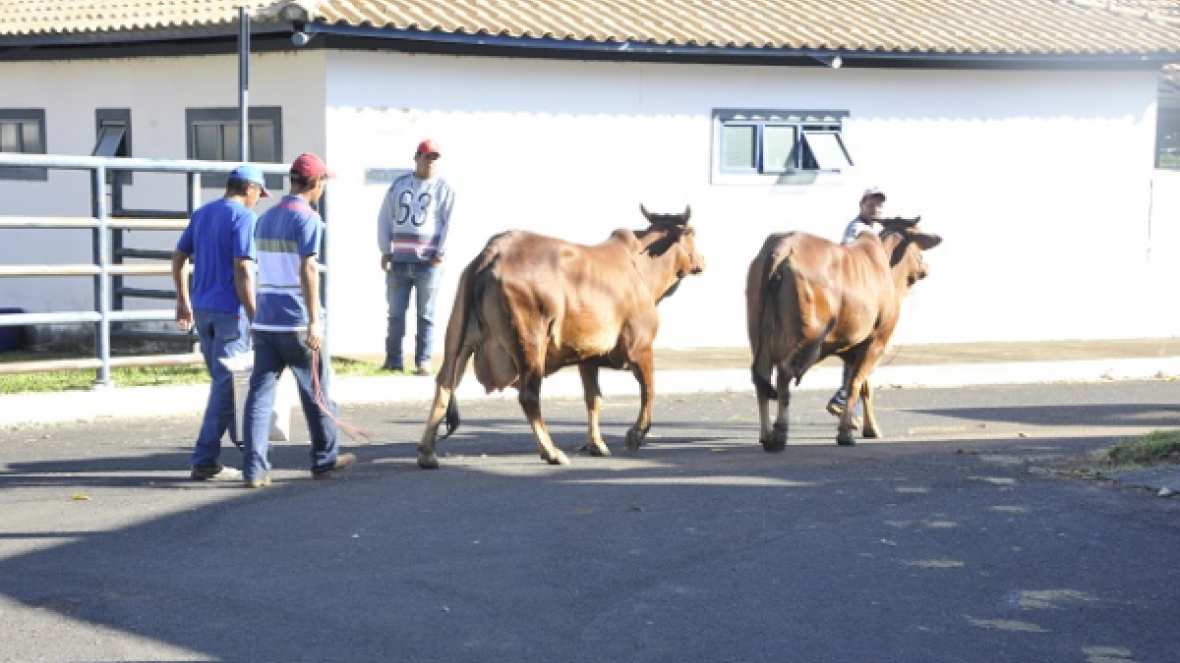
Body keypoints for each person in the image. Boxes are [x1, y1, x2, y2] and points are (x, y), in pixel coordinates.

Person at [241, 153, 355, 488]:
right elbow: (308, 269)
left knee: (260, 394)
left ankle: (255, 469)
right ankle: (324, 459)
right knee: (316, 391)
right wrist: (314, 321)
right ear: (316, 183)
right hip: (296, 321)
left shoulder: (265, 217)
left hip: (266, 320)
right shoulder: (308, 219)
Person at [172, 164, 267, 482]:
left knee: (224, 384)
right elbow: (242, 268)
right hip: (232, 312)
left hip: (202, 308)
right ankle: (206, 458)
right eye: (258, 194)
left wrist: (183, 299)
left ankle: (242, 444)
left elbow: (178, 256)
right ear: (250, 189)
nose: (258, 201)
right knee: (226, 389)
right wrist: (256, 315)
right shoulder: (244, 218)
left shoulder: (202, 213)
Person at [377, 139, 456, 375]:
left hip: (428, 263)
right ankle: (393, 361)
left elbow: (450, 223)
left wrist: (440, 253)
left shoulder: (444, 189)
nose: (430, 162)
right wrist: (385, 249)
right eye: (426, 156)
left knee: (426, 314)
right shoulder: (400, 185)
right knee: (396, 314)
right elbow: (385, 216)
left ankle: (423, 361)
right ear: (416, 157)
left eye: (435, 158)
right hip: (400, 260)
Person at [827, 187, 887, 424]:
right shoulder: (857, 229)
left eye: (879, 205)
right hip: (859, 298)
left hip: (872, 295)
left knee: (860, 357)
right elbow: (848, 254)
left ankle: (848, 406)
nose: (876, 209)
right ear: (861, 205)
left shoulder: (879, 229)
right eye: (871, 204)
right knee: (864, 355)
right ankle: (842, 400)